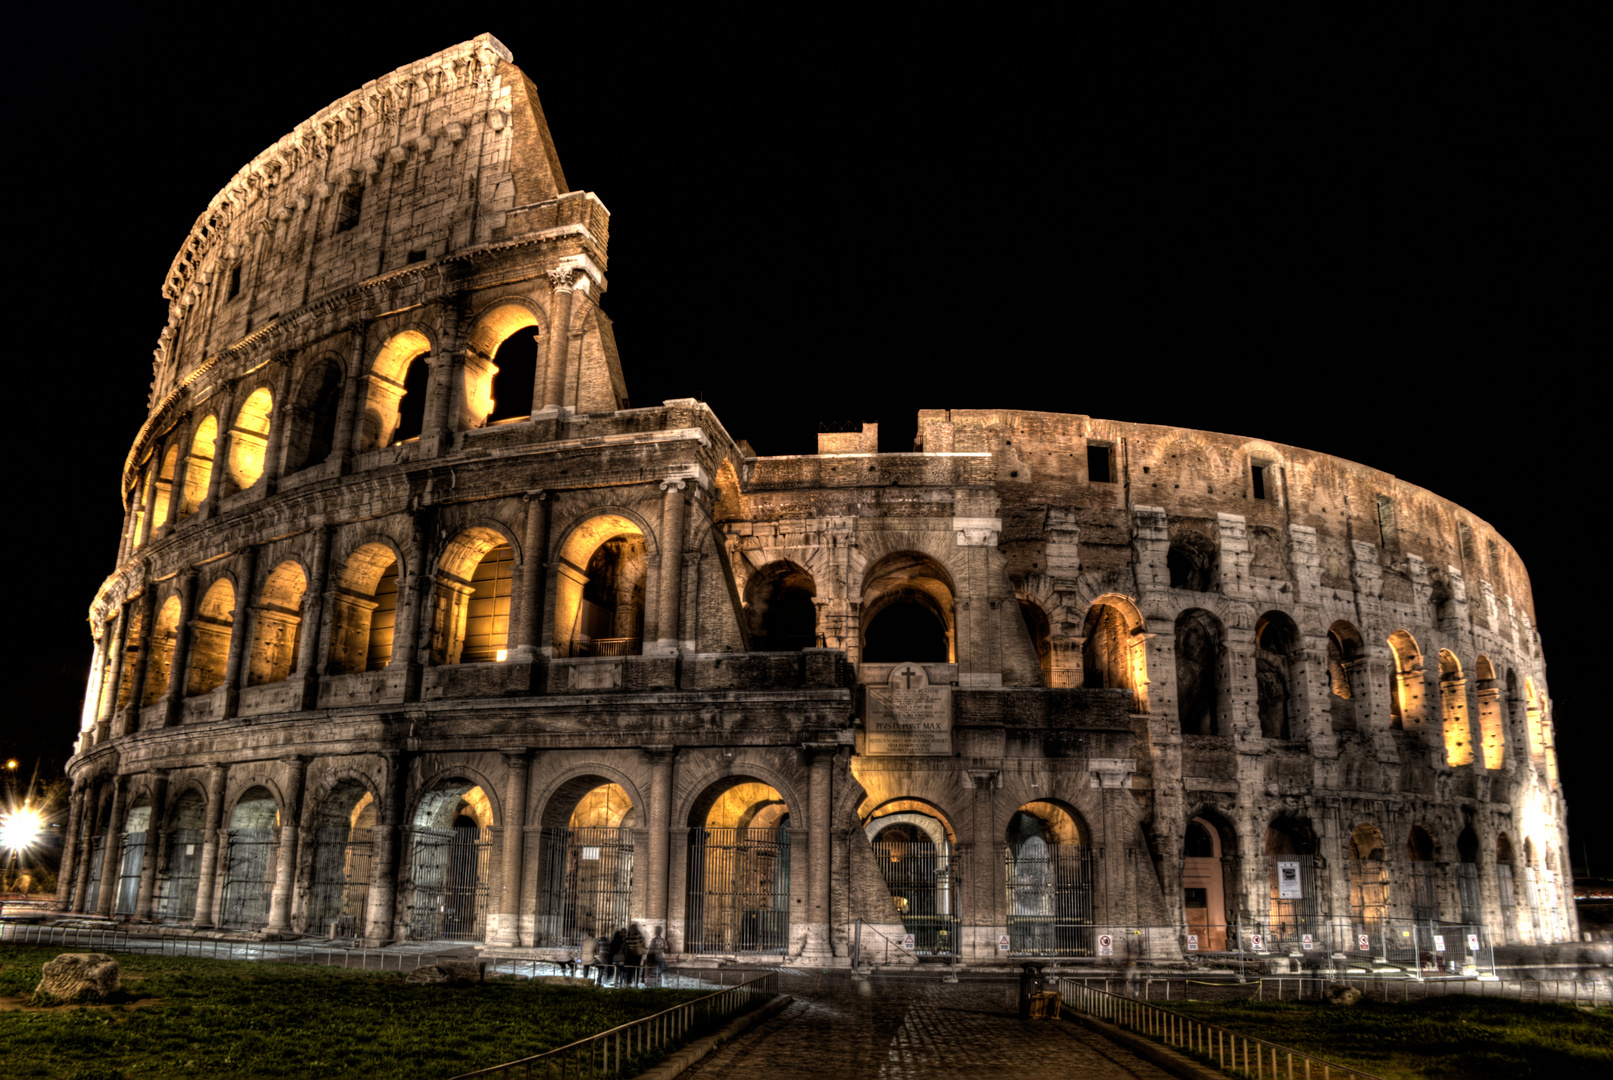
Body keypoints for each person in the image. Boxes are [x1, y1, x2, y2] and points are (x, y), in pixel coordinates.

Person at [624, 922, 646, 986]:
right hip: (637, 955)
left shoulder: (628, 936)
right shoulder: (638, 935)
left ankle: (629, 983)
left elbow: (626, 945)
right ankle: (636, 983)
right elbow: (642, 943)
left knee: (629, 969)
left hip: (630, 955)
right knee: (637, 969)